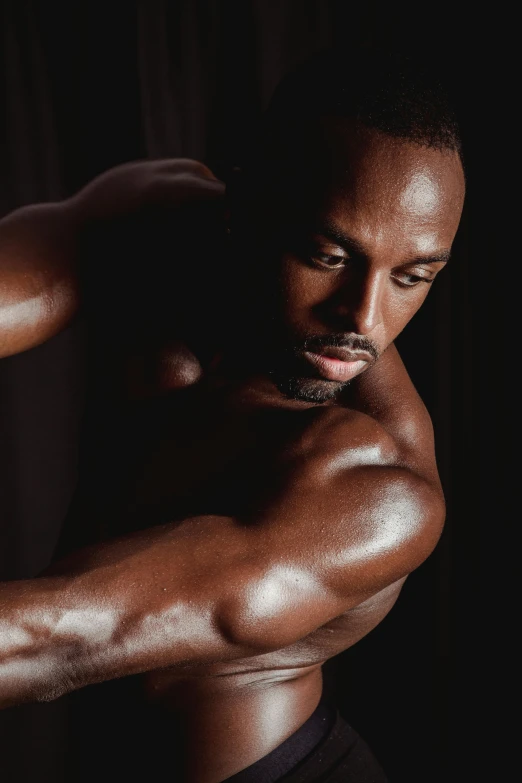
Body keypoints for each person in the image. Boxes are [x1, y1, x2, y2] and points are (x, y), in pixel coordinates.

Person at [0, 47, 465, 782]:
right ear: (245, 206)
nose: (365, 318)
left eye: (413, 277)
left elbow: (64, 635)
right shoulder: (162, 223)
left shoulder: (384, 491)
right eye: (327, 254)